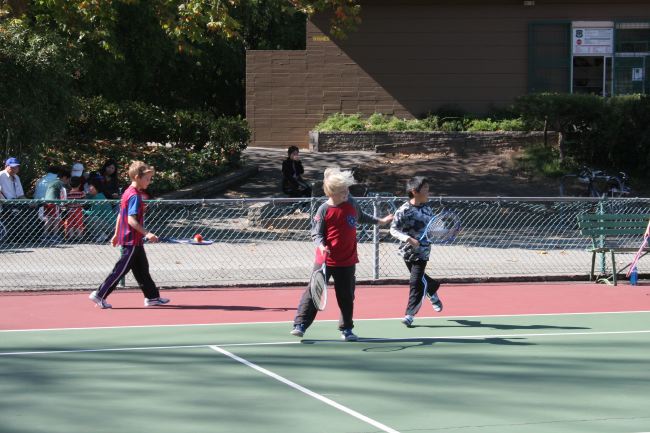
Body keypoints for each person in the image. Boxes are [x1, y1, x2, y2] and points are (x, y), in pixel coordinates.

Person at [291, 167, 393, 341]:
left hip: (347, 260)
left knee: (347, 296)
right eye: (343, 191)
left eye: (347, 189)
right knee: (314, 291)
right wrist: (321, 246)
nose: (347, 193)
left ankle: (346, 329)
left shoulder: (351, 204)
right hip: (325, 259)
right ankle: (300, 325)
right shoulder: (323, 209)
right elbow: (316, 233)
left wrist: (381, 221)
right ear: (332, 192)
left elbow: (362, 216)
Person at [89, 160, 170, 309]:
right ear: (137, 177)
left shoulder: (128, 192)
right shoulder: (134, 196)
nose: (149, 182)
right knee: (120, 270)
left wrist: (116, 234)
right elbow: (130, 219)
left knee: (142, 270)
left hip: (135, 240)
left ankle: (152, 297)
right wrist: (148, 233)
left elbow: (121, 214)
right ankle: (100, 294)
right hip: (131, 240)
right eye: (147, 179)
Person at [389, 176, 443, 327]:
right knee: (420, 279)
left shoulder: (428, 209)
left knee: (416, 281)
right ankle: (432, 288)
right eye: (425, 189)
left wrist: (446, 232)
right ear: (414, 191)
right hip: (407, 251)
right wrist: (408, 239)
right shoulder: (404, 210)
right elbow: (393, 230)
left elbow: (435, 229)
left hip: (422, 251)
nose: (428, 192)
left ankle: (410, 314)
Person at [42, 167, 71, 242]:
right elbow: (63, 194)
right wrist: (64, 204)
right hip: (54, 203)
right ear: (64, 177)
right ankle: (55, 235)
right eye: (68, 179)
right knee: (56, 219)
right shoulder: (60, 183)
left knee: (48, 219)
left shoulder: (52, 182)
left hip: (47, 202)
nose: (68, 182)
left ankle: (45, 235)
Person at [84, 177, 115, 242]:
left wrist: (82, 211)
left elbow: (94, 213)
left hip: (110, 226)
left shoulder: (98, 197)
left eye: (90, 186)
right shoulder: (98, 195)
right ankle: (101, 235)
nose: (89, 188)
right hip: (108, 225)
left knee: (90, 218)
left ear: (96, 187)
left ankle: (101, 235)